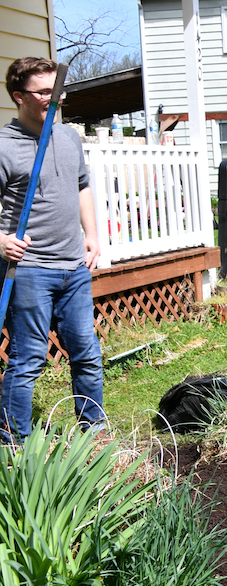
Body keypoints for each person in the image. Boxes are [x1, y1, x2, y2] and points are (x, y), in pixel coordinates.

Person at [0, 57, 106, 442]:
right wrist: (1, 239)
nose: (54, 98)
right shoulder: (4, 146)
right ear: (19, 96)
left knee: (87, 353)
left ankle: (93, 434)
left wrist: (91, 233)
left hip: (74, 266)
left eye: (56, 90)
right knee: (28, 360)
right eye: (43, 91)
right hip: (28, 269)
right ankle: (15, 443)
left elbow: (81, 185)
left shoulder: (67, 136)